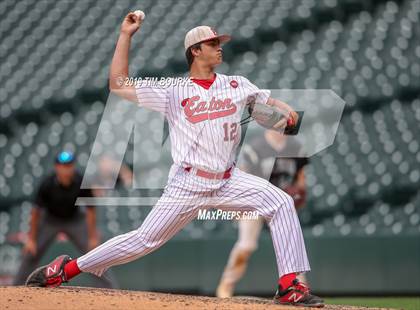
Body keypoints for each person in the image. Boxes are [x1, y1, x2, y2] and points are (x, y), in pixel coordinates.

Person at [25, 12, 323, 307]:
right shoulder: (172, 90)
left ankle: (289, 286)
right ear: (195, 50)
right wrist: (125, 35)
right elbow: (118, 84)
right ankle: (65, 269)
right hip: (187, 183)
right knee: (144, 240)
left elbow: (270, 104)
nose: (220, 46)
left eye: (219, 41)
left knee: (281, 203)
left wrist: (287, 113)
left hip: (229, 180)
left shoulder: (237, 84)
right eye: (212, 42)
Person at [216, 130, 309, 298]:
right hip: (255, 202)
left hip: (281, 203)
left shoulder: (296, 147)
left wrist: (298, 196)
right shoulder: (255, 147)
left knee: (290, 248)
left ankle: (297, 289)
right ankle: (226, 286)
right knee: (246, 245)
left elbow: (301, 179)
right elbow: (242, 175)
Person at [14, 151, 116, 288]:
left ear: (73, 166)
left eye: (68, 165)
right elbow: (35, 212)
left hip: (75, 220)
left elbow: (91, 209)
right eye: (62, 165)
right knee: (31, 251)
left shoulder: (80, 181)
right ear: (56, 167)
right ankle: (16, 288)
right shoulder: (47, 184)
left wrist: (92, 237)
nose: (65, 169)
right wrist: (31, 239)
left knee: (94, 253)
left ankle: (110, 289)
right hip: (50, 220)